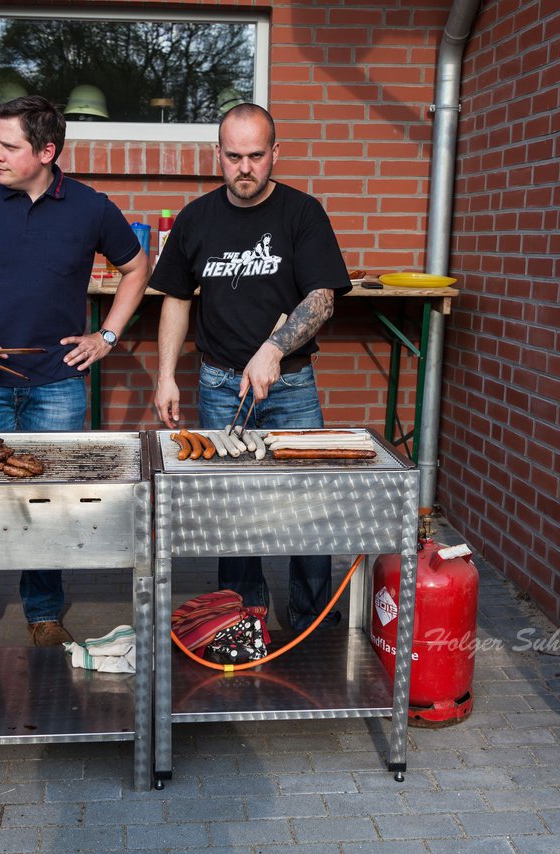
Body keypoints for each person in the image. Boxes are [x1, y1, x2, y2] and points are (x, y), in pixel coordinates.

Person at [0, 95, 149, 648]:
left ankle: (44, 612)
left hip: (58, 385)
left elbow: (137, 266)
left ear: (47, 151)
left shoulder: (91, 207)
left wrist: (107, 337)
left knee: (48, 504)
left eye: (8, 146)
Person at [150, 103, 351, 631]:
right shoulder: (196, 217)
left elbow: (323, 298)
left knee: (308, 506)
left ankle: (314, 623)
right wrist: (166, 373)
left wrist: (274, 347)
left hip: (290, 384)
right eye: (233, 156)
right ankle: (241, 621)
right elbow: (175, 297)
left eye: (256, 156)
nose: (244, 167)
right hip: (219, 385)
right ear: (218, 154)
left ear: (275, 154)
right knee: (233, 511)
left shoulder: (302, 213)